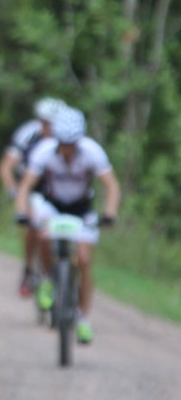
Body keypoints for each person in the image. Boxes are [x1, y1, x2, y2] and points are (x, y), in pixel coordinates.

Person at [14, 106, 120, 344]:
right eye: (63, 143)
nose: (67, 149)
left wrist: (110, 212)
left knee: (83, 260)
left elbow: (111, 185)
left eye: (72, 143)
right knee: (42, 235)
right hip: (53, 206)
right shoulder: (44, 151)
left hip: (82, 209)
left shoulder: (92, 152)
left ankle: (84, 319)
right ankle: (49, 279)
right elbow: (25, 187)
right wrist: (22, 212)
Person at [0, 96, 66, 296]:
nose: (49, 128)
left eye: (53, 124)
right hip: (31, 186)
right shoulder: (27, 134)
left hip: (57, 188)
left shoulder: (67, 137)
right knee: (34, 225)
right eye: (45, 123)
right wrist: (15, 194)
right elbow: (5, 168)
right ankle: (29, 269)